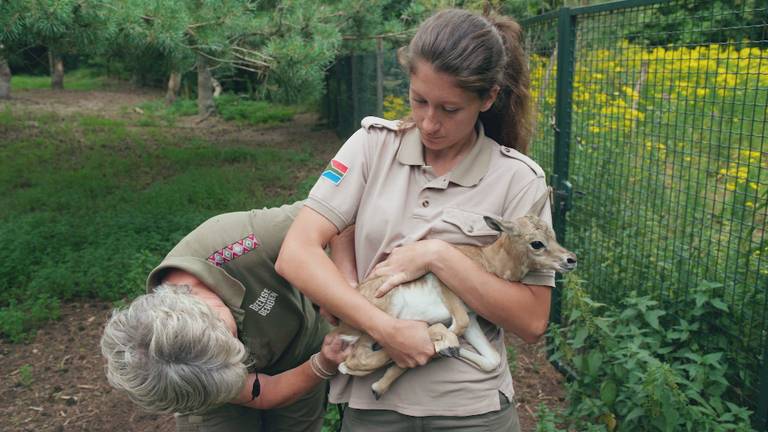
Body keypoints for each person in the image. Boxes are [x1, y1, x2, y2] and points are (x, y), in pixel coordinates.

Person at [275, 8, 554, 431]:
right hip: (373, 403)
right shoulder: (371, 146)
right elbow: (296, 254)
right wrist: (382, 326)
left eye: (450, 109)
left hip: (472, 410)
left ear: (489, 98)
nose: (429, 122)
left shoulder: (519, 180)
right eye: (419, 100)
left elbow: (532, 321)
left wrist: (438, 256)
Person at [100, 201, 355, 432]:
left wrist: (340, 290)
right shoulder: (181, 372)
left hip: (299, 349)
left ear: (206, 308)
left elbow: (341, 211)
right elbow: (263, 392)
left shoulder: (242, 241)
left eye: (232, 341)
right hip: (212, 389)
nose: (240, 355)